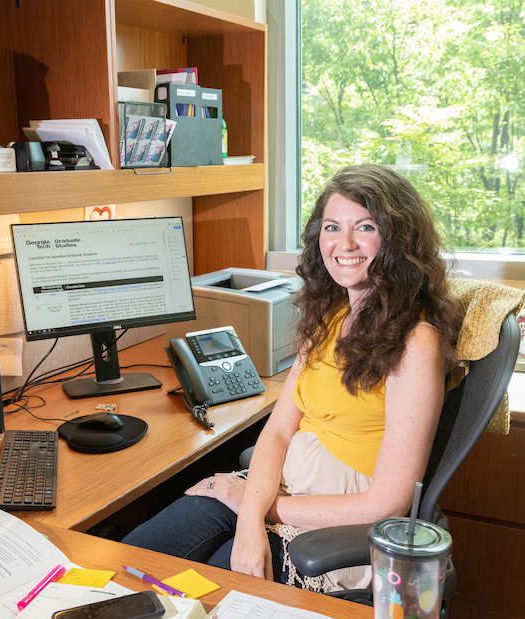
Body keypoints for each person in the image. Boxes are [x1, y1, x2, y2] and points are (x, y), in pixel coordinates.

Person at [122, 164, 461, 590]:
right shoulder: (331, 315)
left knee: (195, 588)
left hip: (335, 523)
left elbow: (386, 503)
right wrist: (250, 514)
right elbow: (279, 430)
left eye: (366, 227)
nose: (345, 243)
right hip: (281, 488)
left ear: (397, 240)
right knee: (132, 555)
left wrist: (261, 508)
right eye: (332, 227)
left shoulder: (417, 341)